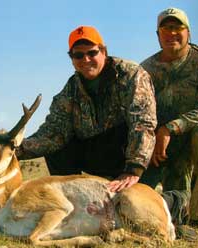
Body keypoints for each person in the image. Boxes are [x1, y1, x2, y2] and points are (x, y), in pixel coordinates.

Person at [17, 25, 157, 192]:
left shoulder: (131, 74)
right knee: (56, 147)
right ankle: (74, 199)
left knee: (134, 203)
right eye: (79, 55)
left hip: (127, 153)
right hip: (97, 153)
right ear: (72, 59)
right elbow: (52, 132)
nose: (86, 59)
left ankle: (173, 198)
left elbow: (142, 122)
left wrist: (134, 168)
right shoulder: (70, 90)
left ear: (103, 51)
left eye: (92, 53)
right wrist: (12, 150)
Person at [139, 7, 198, 228]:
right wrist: (147, 141)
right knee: (150, 204)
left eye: (177, 27)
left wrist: (169, 128)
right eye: (166, 28)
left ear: (188, 33)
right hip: (163, 145)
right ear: (158, 35)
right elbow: (139, 112)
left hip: (195, 135)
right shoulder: (145, 69)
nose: (172, 33)